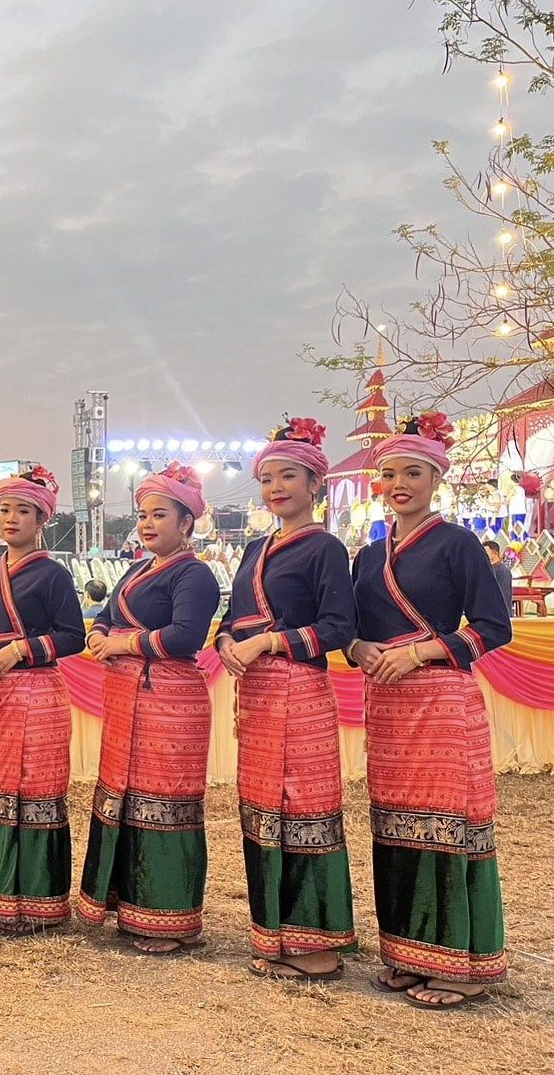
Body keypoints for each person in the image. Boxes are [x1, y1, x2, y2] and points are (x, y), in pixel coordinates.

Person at [348, 412, 513, 1011]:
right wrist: (358, 648)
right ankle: (408, 953)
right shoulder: (369, 556)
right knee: (396, 825)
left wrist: (420, 652)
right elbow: (352, 629)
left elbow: (494, 627)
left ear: (436, 478)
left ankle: (463, 966)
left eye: (413, 473)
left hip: (442, 703)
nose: (399, 484)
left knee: (447, 825)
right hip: (387, 703)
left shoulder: (458, 543)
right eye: (389, 473)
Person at [216, 417, 357, 982]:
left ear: (315, 484)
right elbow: (232, 616)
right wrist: (228, 642)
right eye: (267, 479)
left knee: (303, 810)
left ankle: (317, 943)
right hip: (256, 696)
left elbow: (339, 627)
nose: (275, 488)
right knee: (263, 811)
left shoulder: (325, 547)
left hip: (301, 694)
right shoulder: (254, 548)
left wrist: (270, 642)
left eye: (288, 477)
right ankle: (273, 933)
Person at [77, 462, 220, 954]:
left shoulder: (195, 574)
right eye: (142, 515)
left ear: (187, 522)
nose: (147, 524)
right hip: (128, 699)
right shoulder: (138, 570)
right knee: (129, 800)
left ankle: (170, 919)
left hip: (170, 702)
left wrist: (120, 643)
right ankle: (132, 907)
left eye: (160, 515)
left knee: (165, 805)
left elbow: (185, 636)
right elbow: (105, 616)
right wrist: (98, 636)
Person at [0, 466, 84, 932]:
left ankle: (40, 904)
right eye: (5, 510)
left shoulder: (53, 575)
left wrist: (20, 649)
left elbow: (73, 636)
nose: (11, 519)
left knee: (36, 794)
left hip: (38, 696)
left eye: (23, 511)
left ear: (42, 519)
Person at [484, 539, 515, 618]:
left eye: (486, 552)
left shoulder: (503, 571)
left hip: (500, 615)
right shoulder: (488, 569)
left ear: (495, 553)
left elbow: (504, 595)